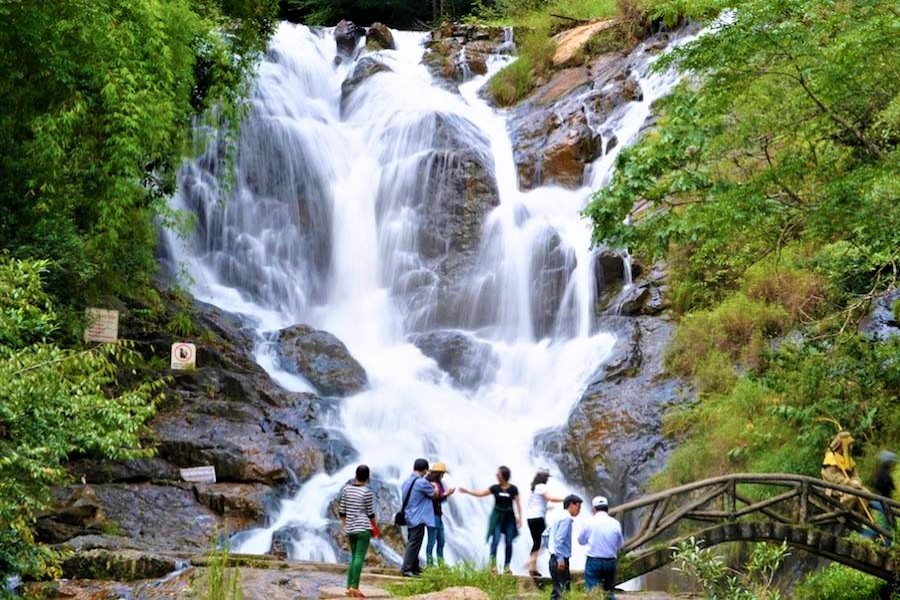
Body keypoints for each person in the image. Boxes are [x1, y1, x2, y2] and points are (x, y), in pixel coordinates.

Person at [339, 465, 380, 599]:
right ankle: (354, 587)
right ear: (367, 478)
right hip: (363, 528)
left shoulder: (346, 489)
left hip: (350, 529)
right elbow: (370, 513)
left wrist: (344, 526)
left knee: (353, 557)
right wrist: (375, 526)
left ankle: (348, 587)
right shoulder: (367, 492)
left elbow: (342, 510)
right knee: (359, 558)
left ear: (355, 475)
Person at [578, 495, 624, 598]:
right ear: (607, 508)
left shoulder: (588, 522)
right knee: (609, 590)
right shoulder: (615, 523)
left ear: (594, 509)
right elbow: (620, 544)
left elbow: (581, 541)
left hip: (593, 561)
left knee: (593, 590)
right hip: (610, 561)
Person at [400, 458, 438, 577]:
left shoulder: (406, 481)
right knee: (414, 542)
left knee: (414, 541)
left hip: (409, 515)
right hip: (418, 517)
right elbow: (434, 495)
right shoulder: (422, 482)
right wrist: (435, 486)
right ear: (425, 470)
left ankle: (414, 566)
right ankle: (407, 569)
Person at [524, 467, 564, 576]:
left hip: (530, 518)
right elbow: (550, 498)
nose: (548, 479)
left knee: (537, 542)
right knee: (547, 539)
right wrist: (565, 499)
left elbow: (536, 505)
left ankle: (532, 568)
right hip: (538, 518)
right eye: (547, 477)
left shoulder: (534, 489)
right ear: (543, 478)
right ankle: (530, 562)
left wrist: (547, 508)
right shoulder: (541, 487)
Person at [547, 494, 582, 600]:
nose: (579, 511)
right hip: (560, 560)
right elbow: (559, 539)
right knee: (563, 591)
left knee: (557, 591)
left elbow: (545, 534)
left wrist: (551, 550)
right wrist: (560, 559)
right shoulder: (566, 519)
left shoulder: (558, 517)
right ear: (571, 505)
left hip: (554, 558)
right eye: (578, 507)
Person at [426, 461, 456, 567]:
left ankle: (441, 564)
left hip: (438, 514)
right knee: (432, 541)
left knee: (441, 540)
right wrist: (446, 494)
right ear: (438, 473)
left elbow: (440, 498)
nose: (443, 476)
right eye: (442, 473)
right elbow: (433, 497)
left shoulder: (439, 483)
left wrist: (446, 494)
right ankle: (430, 565)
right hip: (432, 515)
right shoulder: (428, 482)